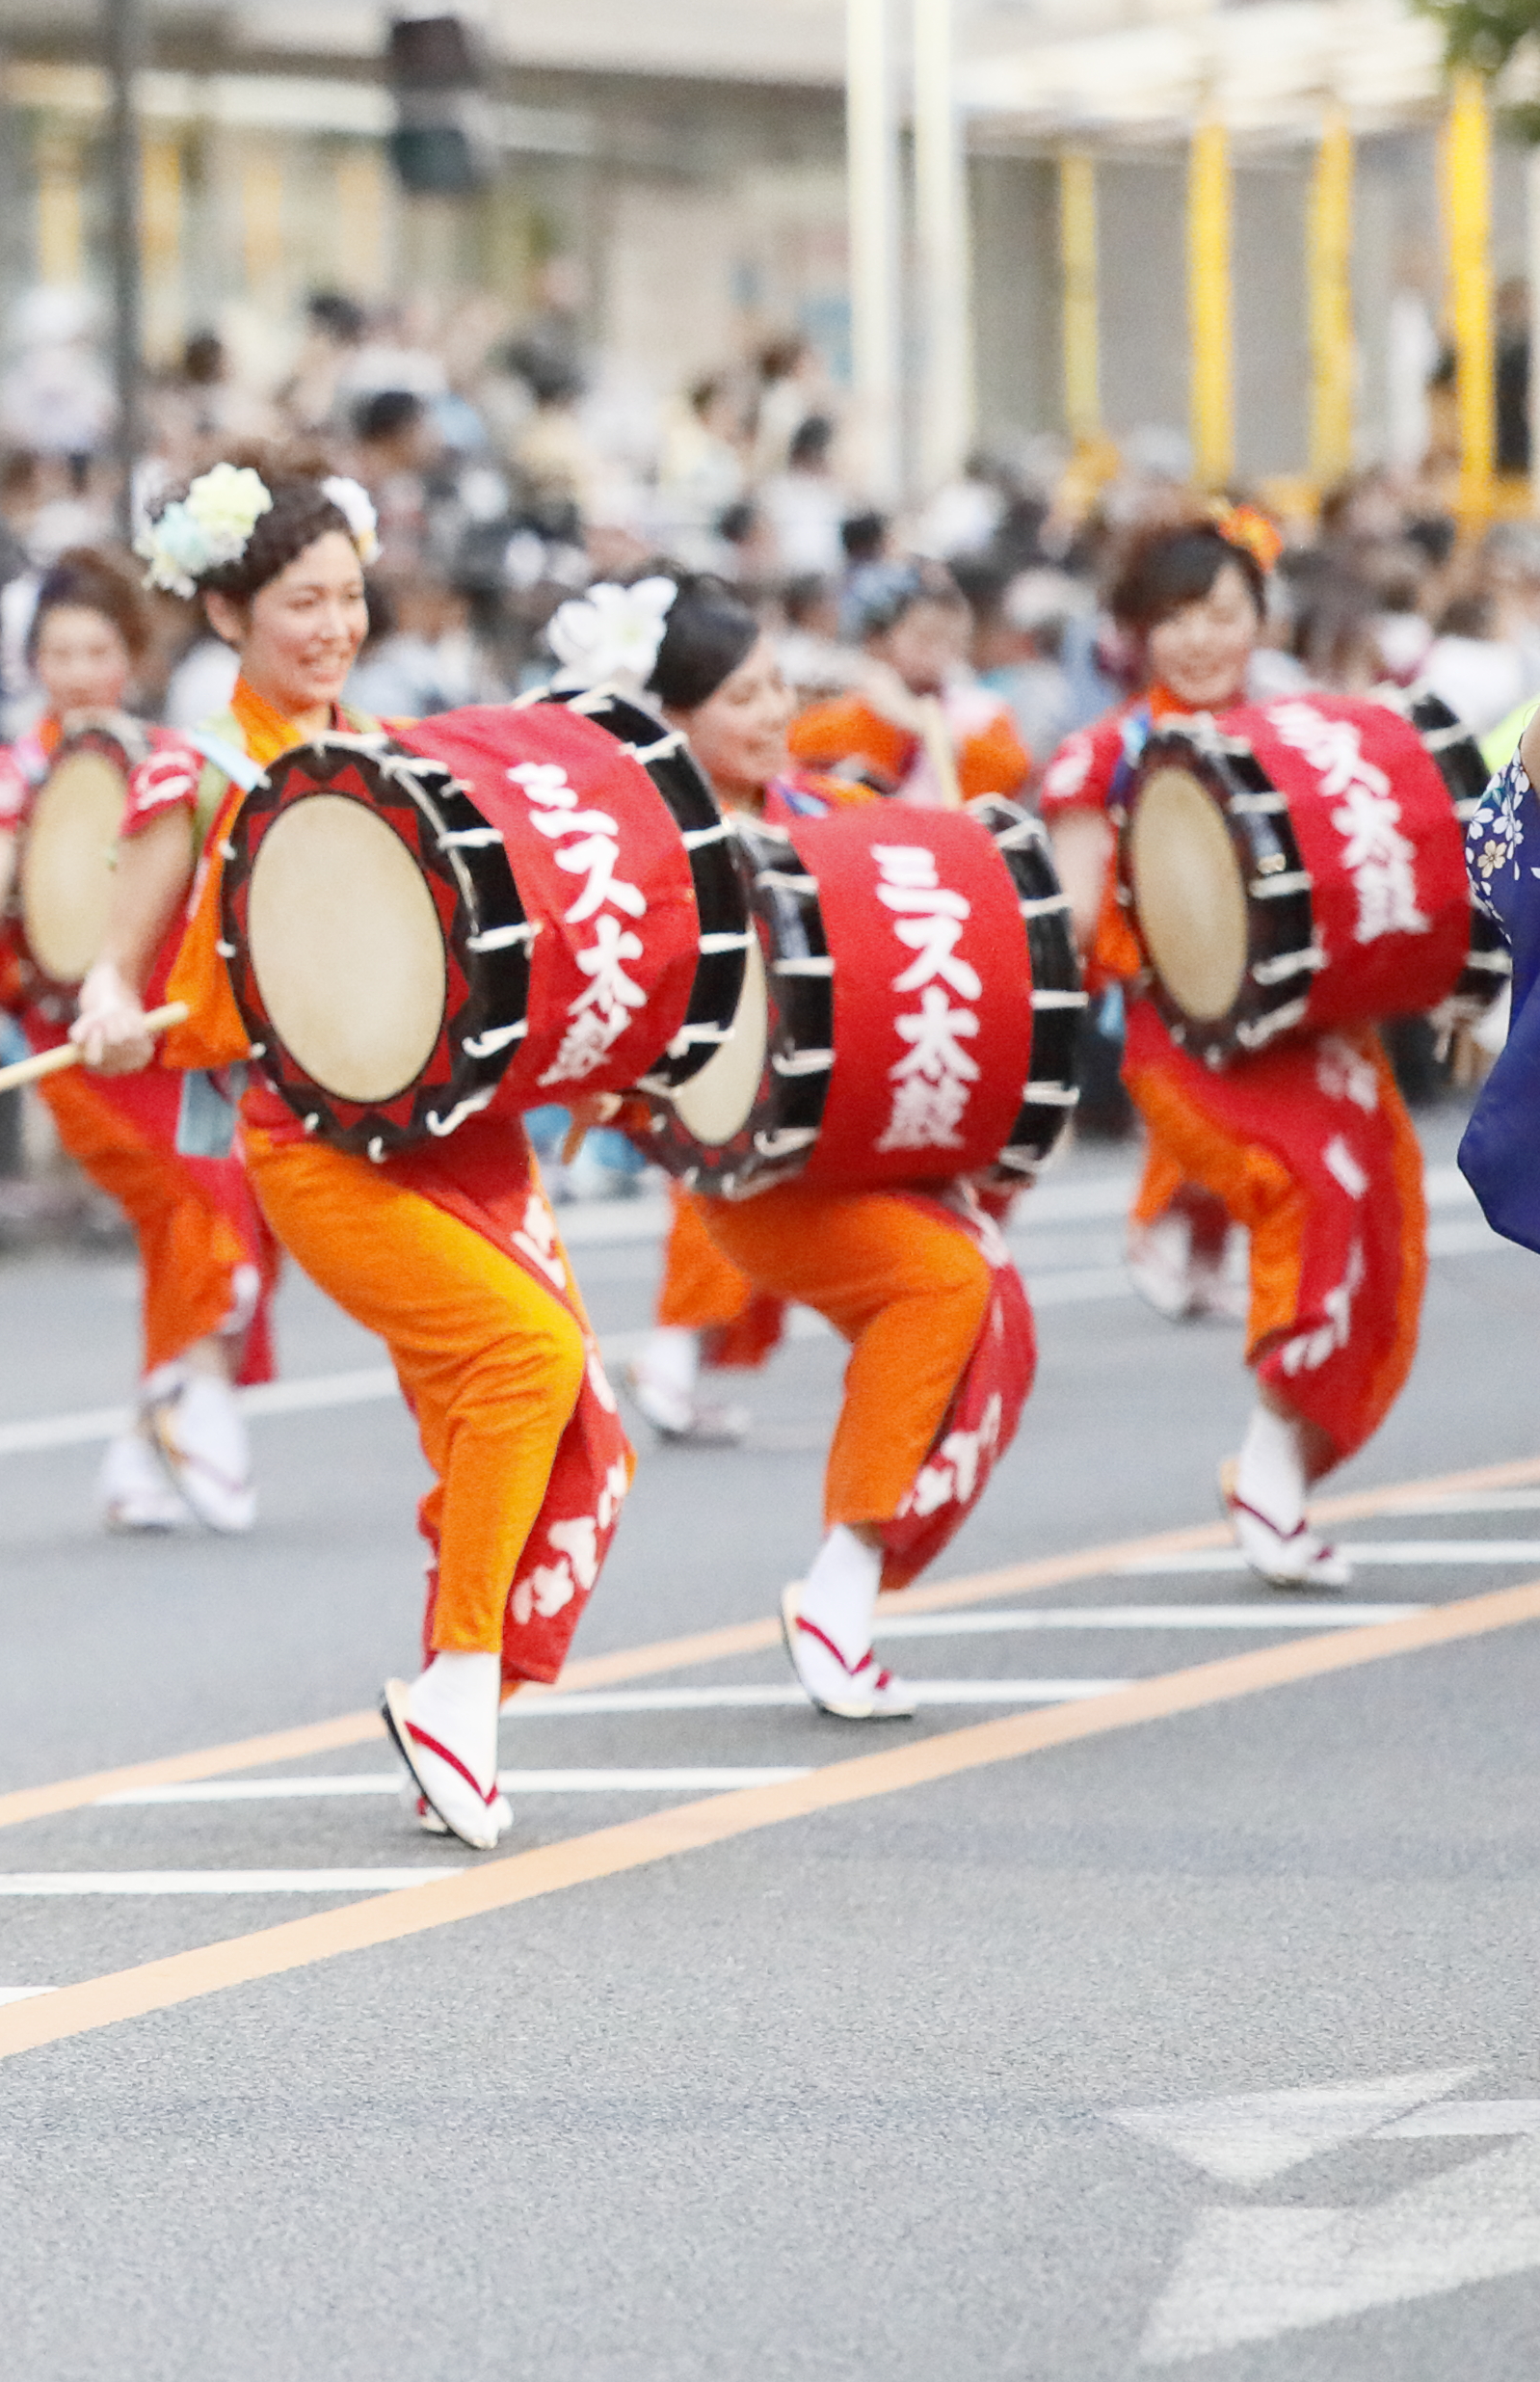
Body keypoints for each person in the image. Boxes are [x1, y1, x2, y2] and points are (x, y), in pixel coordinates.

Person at [70, 455, 630, 1853]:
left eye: (346, 598)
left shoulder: (401, 752)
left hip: (463, 1133)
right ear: (228, 616)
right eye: (300, 605)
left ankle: (461, 1699)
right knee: (524, 1359)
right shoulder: (194, 771)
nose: (332, 628)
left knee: (515, 1411)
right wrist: (113, 1011)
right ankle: (457, 1690)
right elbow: (111, 967)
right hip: (316, 1145)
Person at [591, 578, 1038, 1718]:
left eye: (777, 688)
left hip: (871, 1132)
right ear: (673, 715)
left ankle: (852, 1579)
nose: (772, 713)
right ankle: (842, 1585)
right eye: (741, 697)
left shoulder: (832, 802)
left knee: (996, 1328)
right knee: (945, 1286)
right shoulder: (644, 847)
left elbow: (955, 875)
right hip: (756, 1164)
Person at [1035, 511, 1429, 1590]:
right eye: (1175, 619)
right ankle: (1268, 1456)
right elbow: (1072, 919)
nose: (1201, 639)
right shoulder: (1100, 755)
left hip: (1327, 1037)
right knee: (1307, 1187)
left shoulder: (1309, 735)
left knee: (1385, 1232)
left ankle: (1288, 1459)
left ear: (1262, 619)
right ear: (1137, 633)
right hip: (1186, 1046)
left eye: (1221, 614)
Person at [0, 548, 276, 1535]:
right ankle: (200, 1400)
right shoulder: (10, 775)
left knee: (214, 1209)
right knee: (191, 1200)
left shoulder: (176, 761)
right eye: (59, 654)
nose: (77, 674)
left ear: (133, 658)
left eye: (97, 652)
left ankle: (142, 1447)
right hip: (78, 1042)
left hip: (180, 1035)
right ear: (33, 663)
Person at [790, 560, 1029, 807]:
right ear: (893, 635)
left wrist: (921, 725)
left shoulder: (986, 711)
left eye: (949, 640)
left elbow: (1011, 774)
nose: (935, 651)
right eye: (923, 636)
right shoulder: (864, 702)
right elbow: (798, 750)